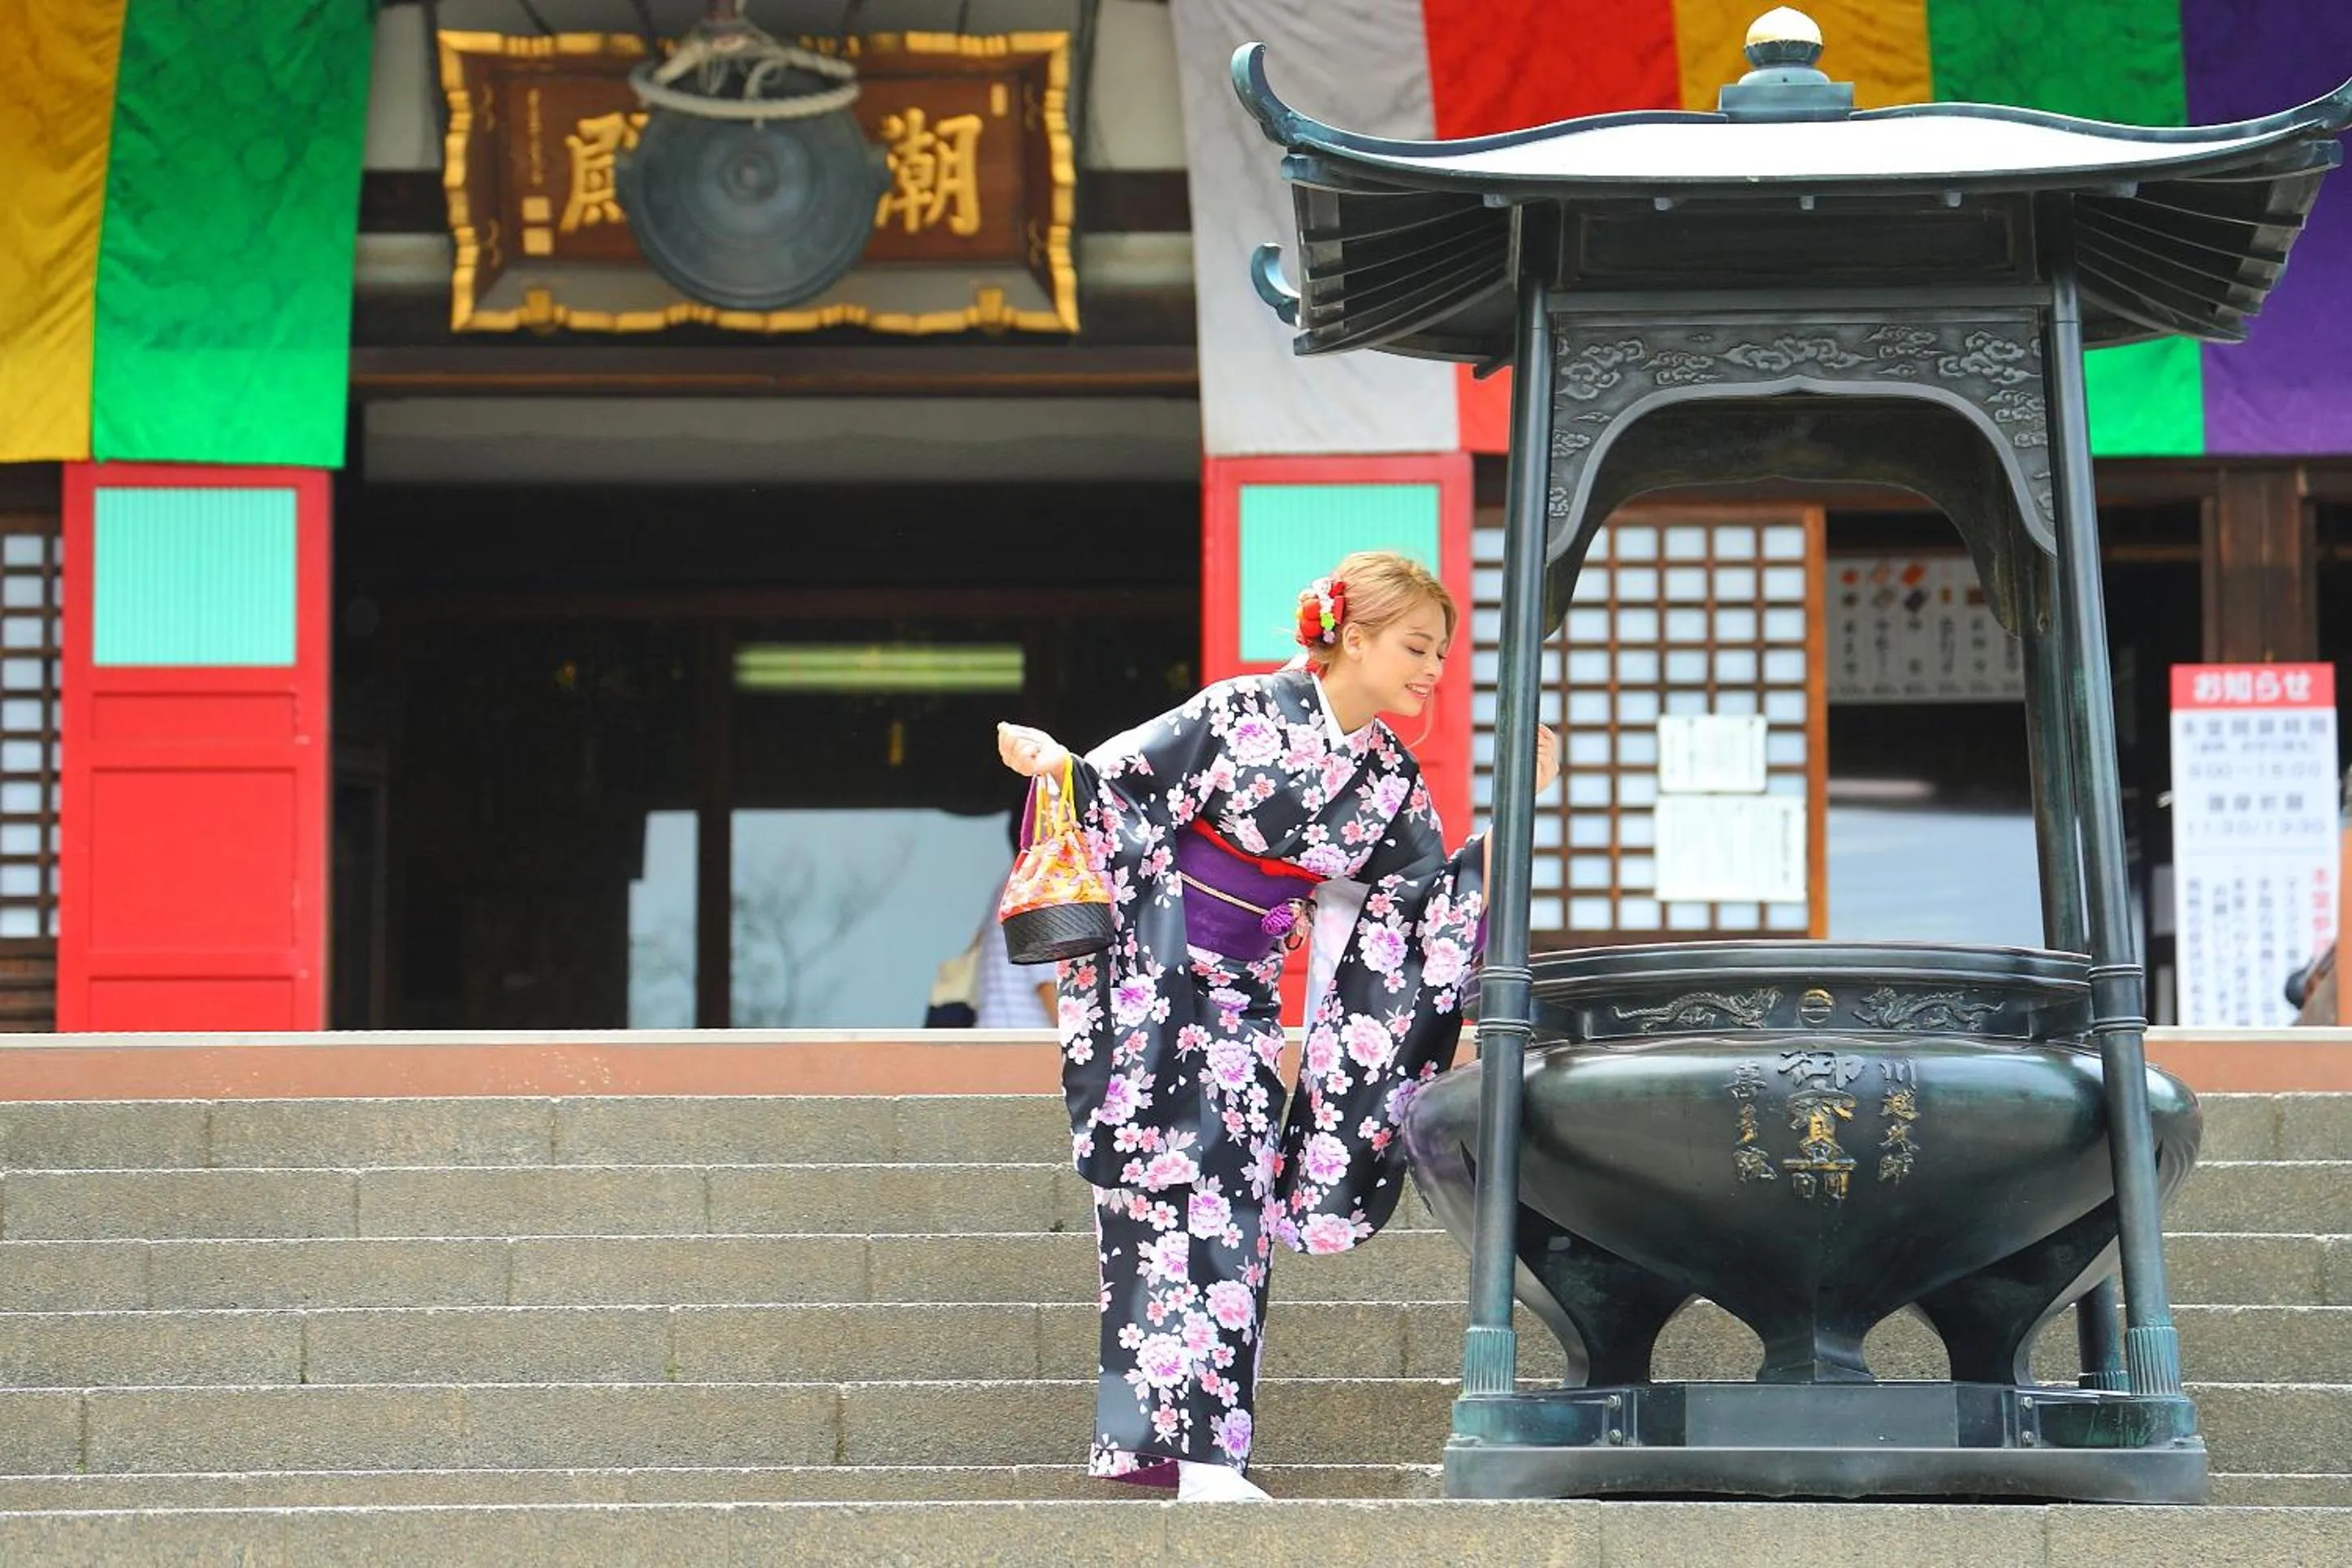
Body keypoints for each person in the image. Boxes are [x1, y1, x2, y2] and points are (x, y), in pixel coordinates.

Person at [996, 550, 1559, 1502]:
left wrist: (1510, 821)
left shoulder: (1388, 776)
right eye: (1416, 645)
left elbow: (1416, 910)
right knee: (1159, 1206)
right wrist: (1060, 770)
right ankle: (1178, 1452)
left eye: (1441, 652)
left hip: (1245, 1007)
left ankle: (1198, 1453)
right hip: (1157, 982)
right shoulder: (1236, 713)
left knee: (1231, 1215)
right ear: (1354, 636)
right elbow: (1117, 791)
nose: (1433, 668)